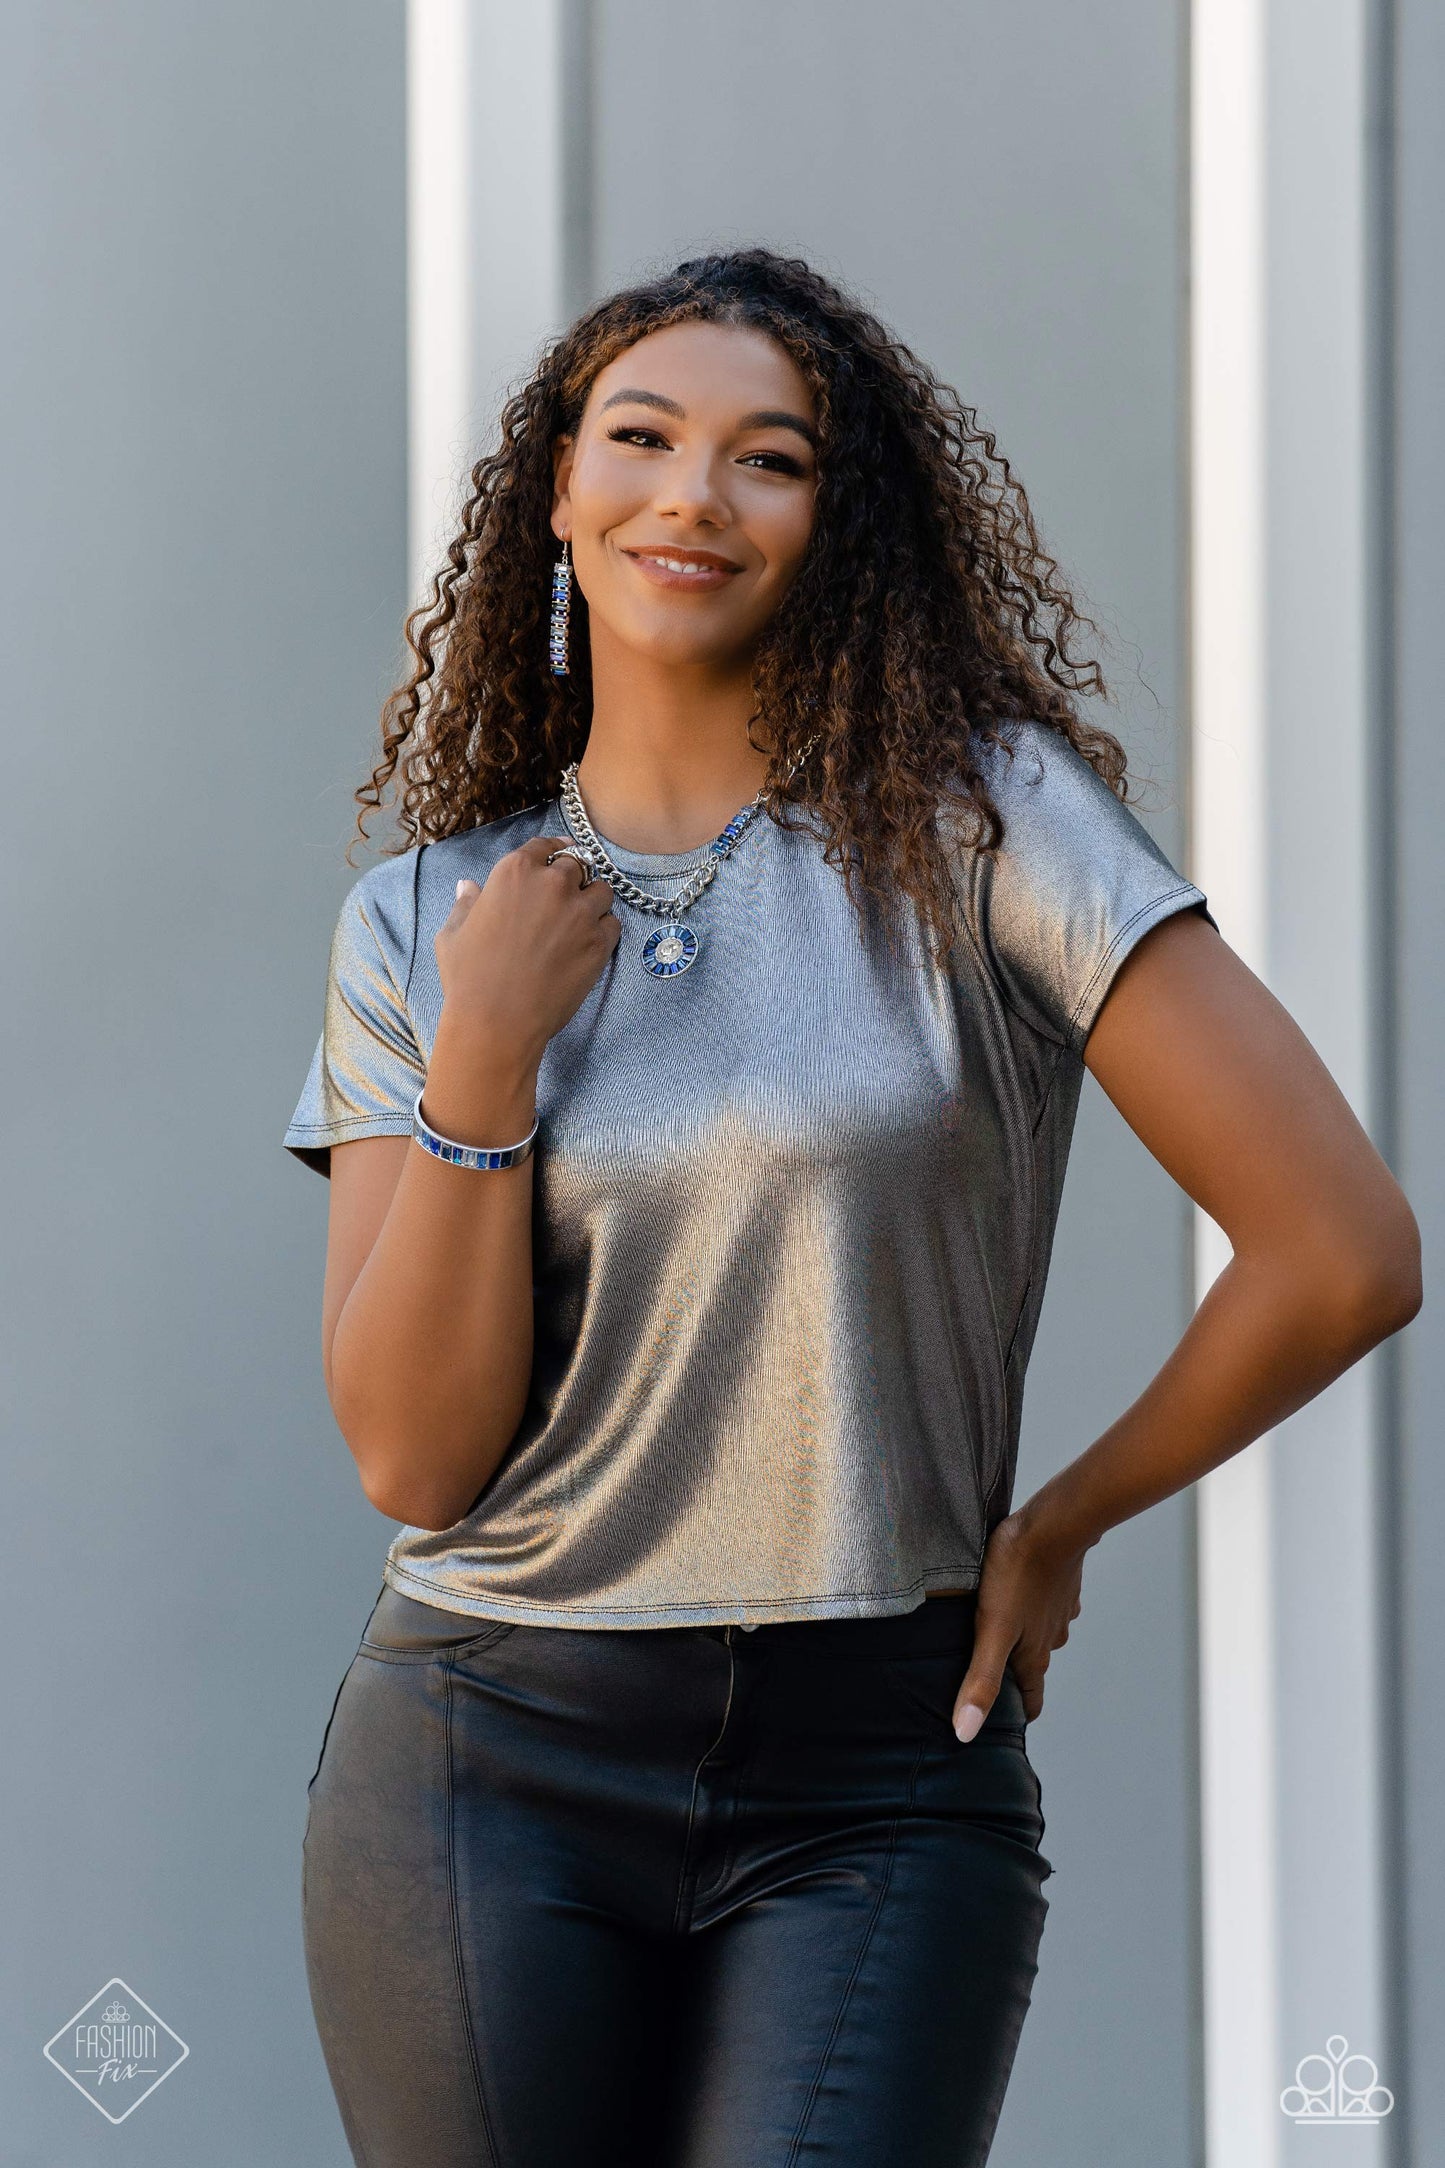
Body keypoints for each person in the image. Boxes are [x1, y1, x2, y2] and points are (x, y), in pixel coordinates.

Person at [283, 248, 1420, 2168]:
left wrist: (1057, 1522)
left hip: (880, 1769)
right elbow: (412, 1454)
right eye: (638, 438)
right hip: (488, 1755)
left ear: (840, 522)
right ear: (557, 491)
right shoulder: (423, 924)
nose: (691, 497)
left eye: (770, 458)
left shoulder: (986, 831)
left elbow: (1342, 1251)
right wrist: (480, 1067)